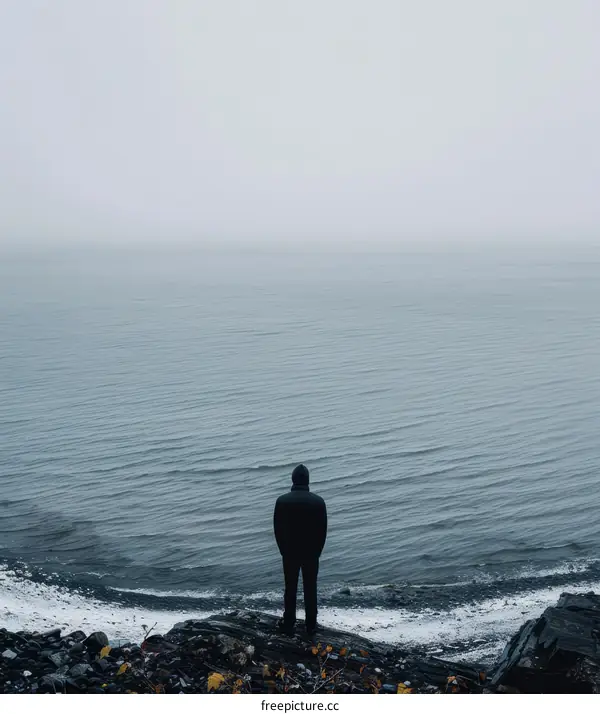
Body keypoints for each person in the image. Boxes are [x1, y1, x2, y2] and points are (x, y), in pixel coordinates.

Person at [273, 464, 327, 636]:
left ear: (293, 480)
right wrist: (317, 551)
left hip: (289, 552)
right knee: (310, 588)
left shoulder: (282, 501)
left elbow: (277, 529)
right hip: (311, 552)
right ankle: (311, 624)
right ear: (308, 480)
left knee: (290, 588)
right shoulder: (318, 502)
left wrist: (283, 550)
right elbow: (322, 530)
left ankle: (289, 622)